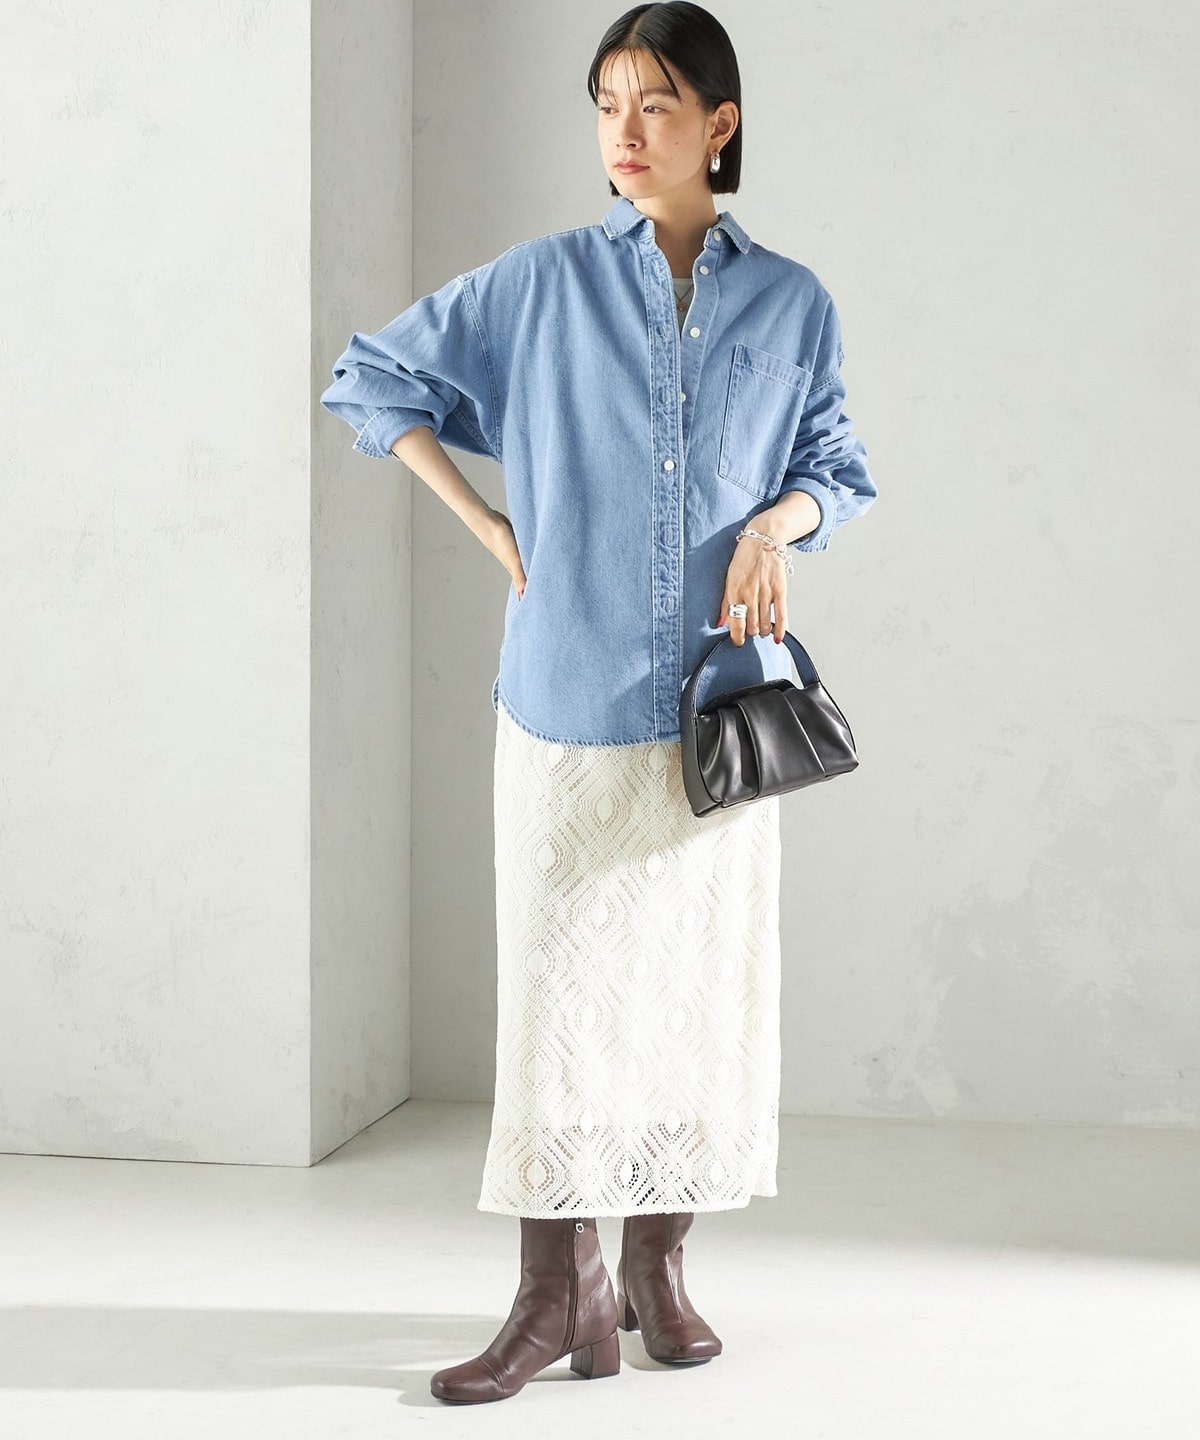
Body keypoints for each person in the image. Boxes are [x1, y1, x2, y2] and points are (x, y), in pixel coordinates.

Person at [320, 0, 877, 1406]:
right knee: (561, 1003)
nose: (624, 133)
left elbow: (837, 468)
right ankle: (551, 1292)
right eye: (607, 105)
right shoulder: (543, 283)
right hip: (567, 693)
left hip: (715, 711)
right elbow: (369, 377)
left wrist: (778, 527)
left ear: (719, 124)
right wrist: (486, 525)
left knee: (688, 999)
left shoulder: (791, 301)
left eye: (656, 105)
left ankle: (655, 1270)